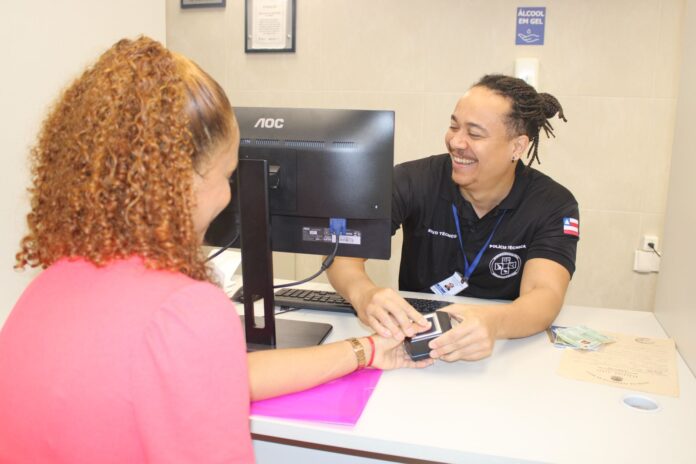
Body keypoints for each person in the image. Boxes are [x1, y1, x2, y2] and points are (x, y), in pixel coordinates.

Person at [0, 37, 432, 463]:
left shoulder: (48, 286)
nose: (230, 197)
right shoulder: (184, 311)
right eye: (228, 176)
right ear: (179, 182)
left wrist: (365, 351)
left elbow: (222, 375)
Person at [327, 74, 579, 363]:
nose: (456, 142)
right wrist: (364, 294)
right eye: (454, 126)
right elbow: (341, 254)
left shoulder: (552, 204)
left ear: (517, 146)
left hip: (502, 348)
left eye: (475, 134)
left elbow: (544, 295)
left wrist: (493, 323)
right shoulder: (411, 180)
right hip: (412, 346)